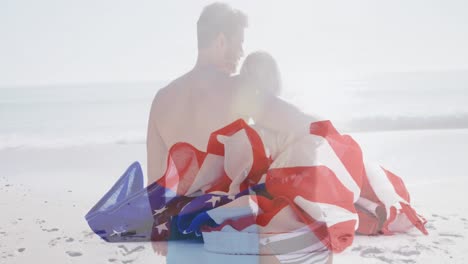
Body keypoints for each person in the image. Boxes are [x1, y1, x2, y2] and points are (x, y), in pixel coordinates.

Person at [146, 3, 248, 185]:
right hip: (228, 211)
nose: (241, 53)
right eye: (239, 43)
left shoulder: (162, 99)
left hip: (181, 212)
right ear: (221, 41)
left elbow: (154, 185)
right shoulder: (237, 90)